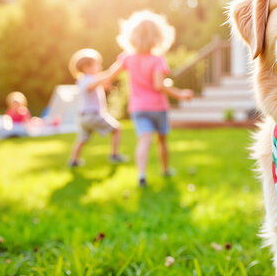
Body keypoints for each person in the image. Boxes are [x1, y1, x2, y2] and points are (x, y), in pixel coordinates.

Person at [102, 10, 193, 187]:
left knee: (144, 140)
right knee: (162, 140)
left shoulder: (126, 58)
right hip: (158, 107)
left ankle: (141, 175)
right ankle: (165, 169)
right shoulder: (157, 60)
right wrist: (180, 94)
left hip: (138, 108)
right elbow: (159, 85)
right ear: (159, 36)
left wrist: (103, 82)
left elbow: (109, 75)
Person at [68, 48, 126, 167]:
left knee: (82, 139)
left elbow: (103, 81)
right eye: (97, 65)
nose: (99, 67)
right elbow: (106, 76)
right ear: (86, 68)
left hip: (83, 117)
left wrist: (105, 83)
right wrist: (121, 63)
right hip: (92, 115)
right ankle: (114, 155)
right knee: (117, 129)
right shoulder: (86, 80)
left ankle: (73, 161)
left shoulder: (86, 80)